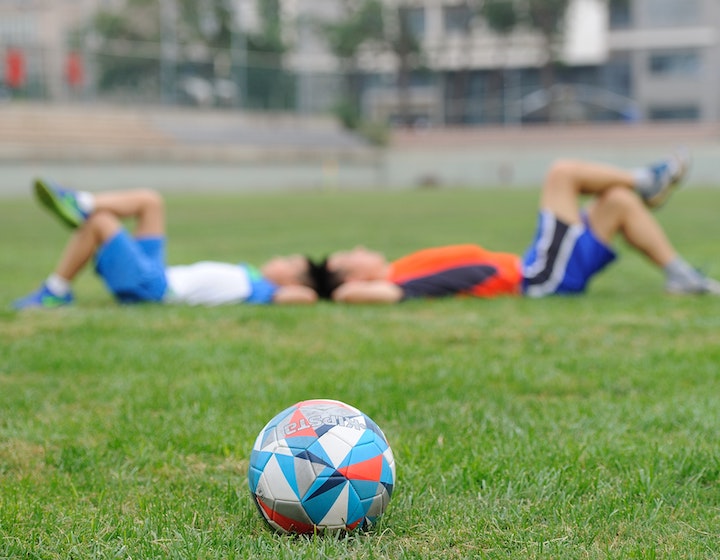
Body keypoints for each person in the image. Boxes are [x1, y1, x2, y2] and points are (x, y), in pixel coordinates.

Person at [321, 154, 720, 303]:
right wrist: (329, 288)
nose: (359, 247)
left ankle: (680, 275)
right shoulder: (396, 282)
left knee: (617, 202)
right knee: (562, 174)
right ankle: (646, 180)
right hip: (537, 278)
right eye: (351, 256)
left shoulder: (399, 267)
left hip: (536, 267)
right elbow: (356, 294)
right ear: (354, 275)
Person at [13, 180, 323, 309]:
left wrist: (329, 282)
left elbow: (308, 297)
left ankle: (55, 292)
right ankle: (81, 201)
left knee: (101, 222)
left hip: (155, 288)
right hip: (158, 273)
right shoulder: (252, 274)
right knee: (151, 202)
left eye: (289, 263)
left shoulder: (268, 291)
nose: (280, 258)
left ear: (292, 280)